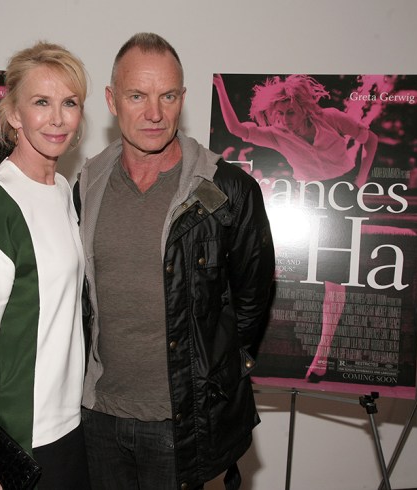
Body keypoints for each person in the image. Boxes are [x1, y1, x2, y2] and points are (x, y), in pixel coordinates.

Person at [76, 33, 275, 490]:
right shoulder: (86, 185)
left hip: (181, 423)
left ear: (182, 99)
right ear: (111, 100)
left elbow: (252, 302)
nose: (154, 113)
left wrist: (211, 374)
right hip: (98, 418)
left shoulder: (228, 191)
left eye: (167, 96)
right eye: (136, 96)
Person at [0, 42, 90, 490]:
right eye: (41, 103)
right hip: (24, 432)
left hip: (70, 424)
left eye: (69, 103)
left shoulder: (62, 187)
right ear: (13, 114)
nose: (57, 118)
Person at [213, 74, 378, 382]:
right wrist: (221, 87)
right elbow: (236, 130)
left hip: (343, 197)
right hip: (308, 200)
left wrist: (361, 180)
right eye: (280, 113)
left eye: (290, 112)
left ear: (303, 108)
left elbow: (371, 139)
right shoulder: (276, 134)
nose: (285, 119)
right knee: (279, 267)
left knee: (334, 277)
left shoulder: (331, 118)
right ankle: (247, 351)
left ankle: (322, 355)